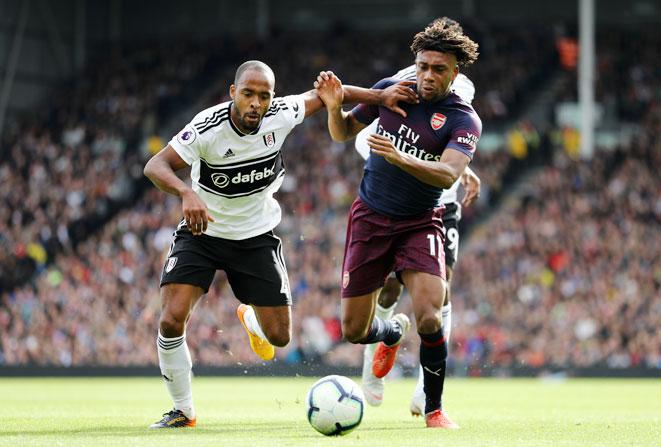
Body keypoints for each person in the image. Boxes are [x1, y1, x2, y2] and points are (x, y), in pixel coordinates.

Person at [143, 60, 416, 428]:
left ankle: (251, 317)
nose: (256, 103)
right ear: (232, 94)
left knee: (280, 337)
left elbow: (328, 93)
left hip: (256, 238)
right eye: (248, 94)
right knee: (172, 319)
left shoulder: (282, 113)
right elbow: (156, 166)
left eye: (264, 95)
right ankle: (183, 410)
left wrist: (379, 95)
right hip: (202, 232)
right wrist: (185, 192)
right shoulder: (207, 127)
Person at [316, 20, 481, 429]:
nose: (427, 76)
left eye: (438, 69)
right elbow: (341, 134)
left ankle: (435, 409)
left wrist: (398, 157)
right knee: (354, 330)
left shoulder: (464, 120)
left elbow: (447, 175)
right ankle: (390, 332)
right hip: (370, 219)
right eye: (422, 65)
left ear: (454, 74)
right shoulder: (392, 89)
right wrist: (335, 107)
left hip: (420, 222)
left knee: (431, 313)